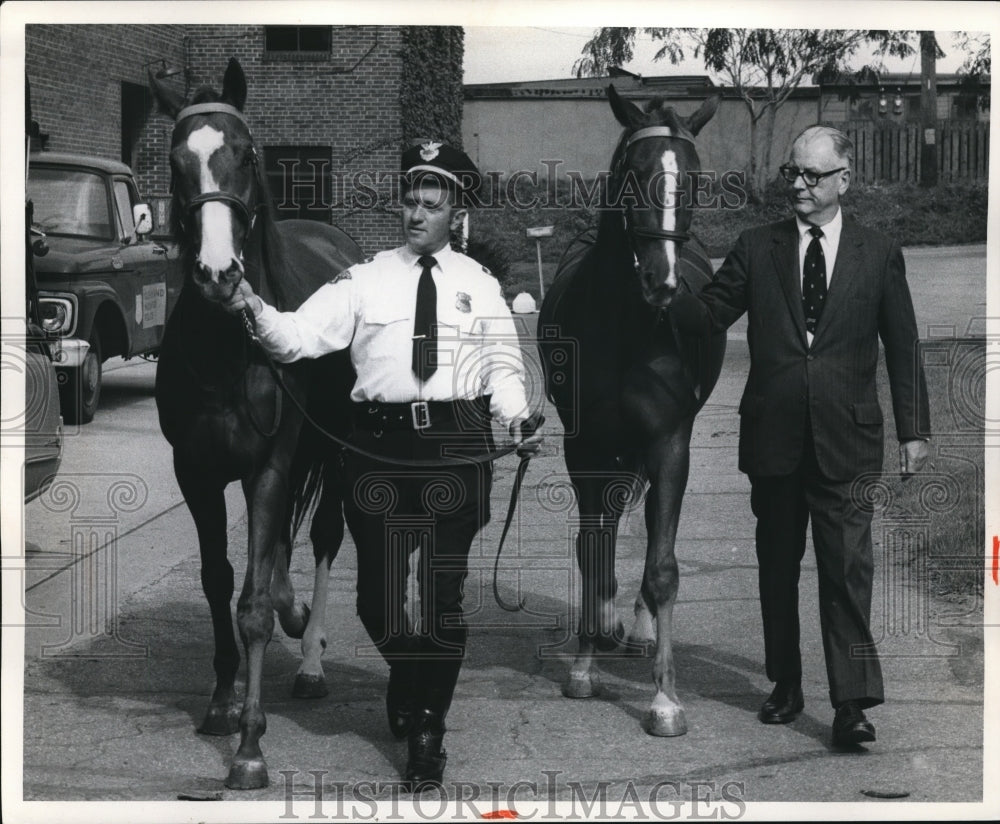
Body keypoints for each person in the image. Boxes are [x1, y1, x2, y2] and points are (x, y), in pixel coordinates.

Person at [215, 141, 543, 790]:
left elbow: (503, 368)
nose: (417, 213)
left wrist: (518, 417)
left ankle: (428, 732)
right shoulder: (364, 279)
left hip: (455, 446)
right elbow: (298, 336)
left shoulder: (478, 286)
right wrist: (249, 304)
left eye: (432, 203)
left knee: (443, 600)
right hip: (376, 451)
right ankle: (411, 671)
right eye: (411, 201)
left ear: (456, 212)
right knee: (377, 602)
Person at [671, 125, 930, 747]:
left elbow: (903, 344)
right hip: (775, 438)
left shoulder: (878, 251)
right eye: (794, 173)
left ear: (844, 179)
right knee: (776, 567)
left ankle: (851, 704)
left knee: (846, 571)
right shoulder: (757, 246)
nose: (800, 185)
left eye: (813, 175)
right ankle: (785, 683)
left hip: (849, 438)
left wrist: (914, 429)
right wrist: (658, 285)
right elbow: (709, 314)